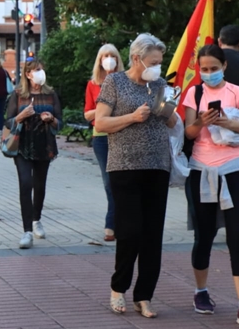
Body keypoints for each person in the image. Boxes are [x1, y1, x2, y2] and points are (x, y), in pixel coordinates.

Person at [94, 33, 178, 318]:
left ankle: (144, 295)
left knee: (153, 235)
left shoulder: (160, 84)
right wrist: (131, 117)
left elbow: (173, 121)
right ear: (136, 58)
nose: (157, 67)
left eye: (159, 62)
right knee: (130, 232)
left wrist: (167, 110)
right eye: (153, 62)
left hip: (157, 165)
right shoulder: (115, 82)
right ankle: (119, 288)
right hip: (124, 166)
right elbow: (101, 122)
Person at [183, 44, 239, 326]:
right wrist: (202, 123)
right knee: (204, 236)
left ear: (224, 67)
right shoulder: (194, 93)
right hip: (201, 170)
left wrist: (229, 122)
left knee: (236, 238)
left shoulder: (237, 93)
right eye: (203, 69)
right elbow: (188, 132)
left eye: (213, 69)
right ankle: (201, 291)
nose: (208, 74)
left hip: (233, 169)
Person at [6, 57, 63, 249]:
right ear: (28, 74)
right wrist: (21, 117)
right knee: (26, 183)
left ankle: (36, 219)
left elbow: (60, 122)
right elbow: (8, 122)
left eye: (42, 69)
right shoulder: (18, 94)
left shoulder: (50, 94)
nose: (40, 73)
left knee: (39, 184)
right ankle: (26, 231)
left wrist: (51, 119)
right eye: (36, 70)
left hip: (44, 145)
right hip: (22, 145)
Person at [84, 44, 125, 242]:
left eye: (112, 56)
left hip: (122, 135)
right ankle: (111, 224)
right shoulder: (92, 84)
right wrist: (103, 108)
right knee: (109, 182)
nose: (109, 59)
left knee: (123, 180)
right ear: (99, 60)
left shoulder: (126, 82)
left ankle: (120, 223)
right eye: (105, 56)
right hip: (101, 137)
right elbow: (87, 114)